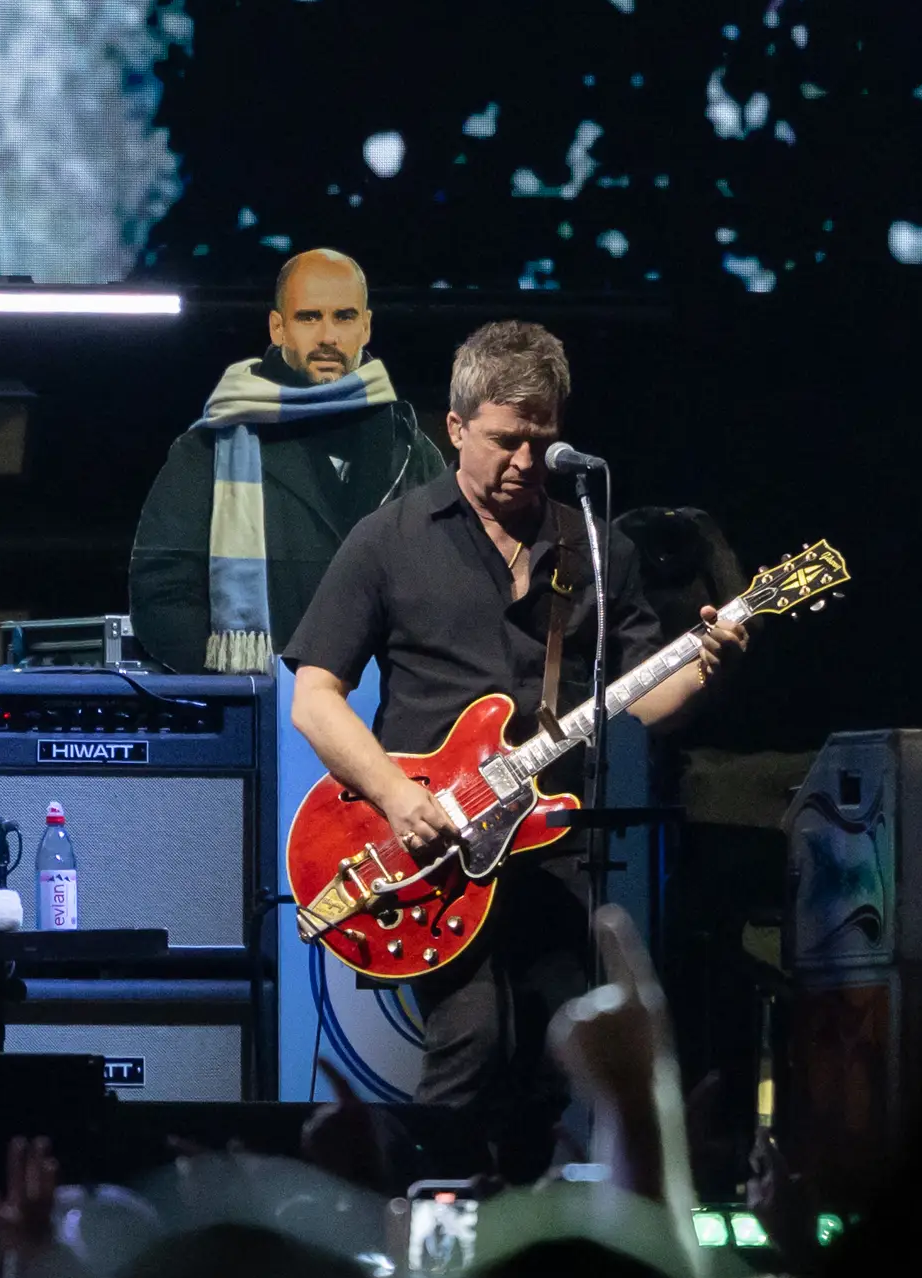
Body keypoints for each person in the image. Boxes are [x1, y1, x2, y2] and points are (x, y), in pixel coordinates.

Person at [283, 321, 747, 1107]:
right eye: (505, 439)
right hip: (428, 853)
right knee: (475, 1040)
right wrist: (399, 798)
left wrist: (707, 664)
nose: (525, 462)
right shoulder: (387, 542)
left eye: (542, 440)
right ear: (455, 427)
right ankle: (432, 1214)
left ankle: (531, 1222)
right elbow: (314, 697)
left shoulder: (598, 549)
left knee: (561, 1060)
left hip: (549, 852)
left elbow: (640, 701)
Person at [127, 249, 443, 672]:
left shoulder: (410, 448)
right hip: (263, 711)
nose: (328, 335)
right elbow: (160, 595)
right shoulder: (212, 448)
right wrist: (245, 686)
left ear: (366, 327)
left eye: (344, 317)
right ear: (278, 328)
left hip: (387, 713)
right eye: (309, 317)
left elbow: (448, 587)